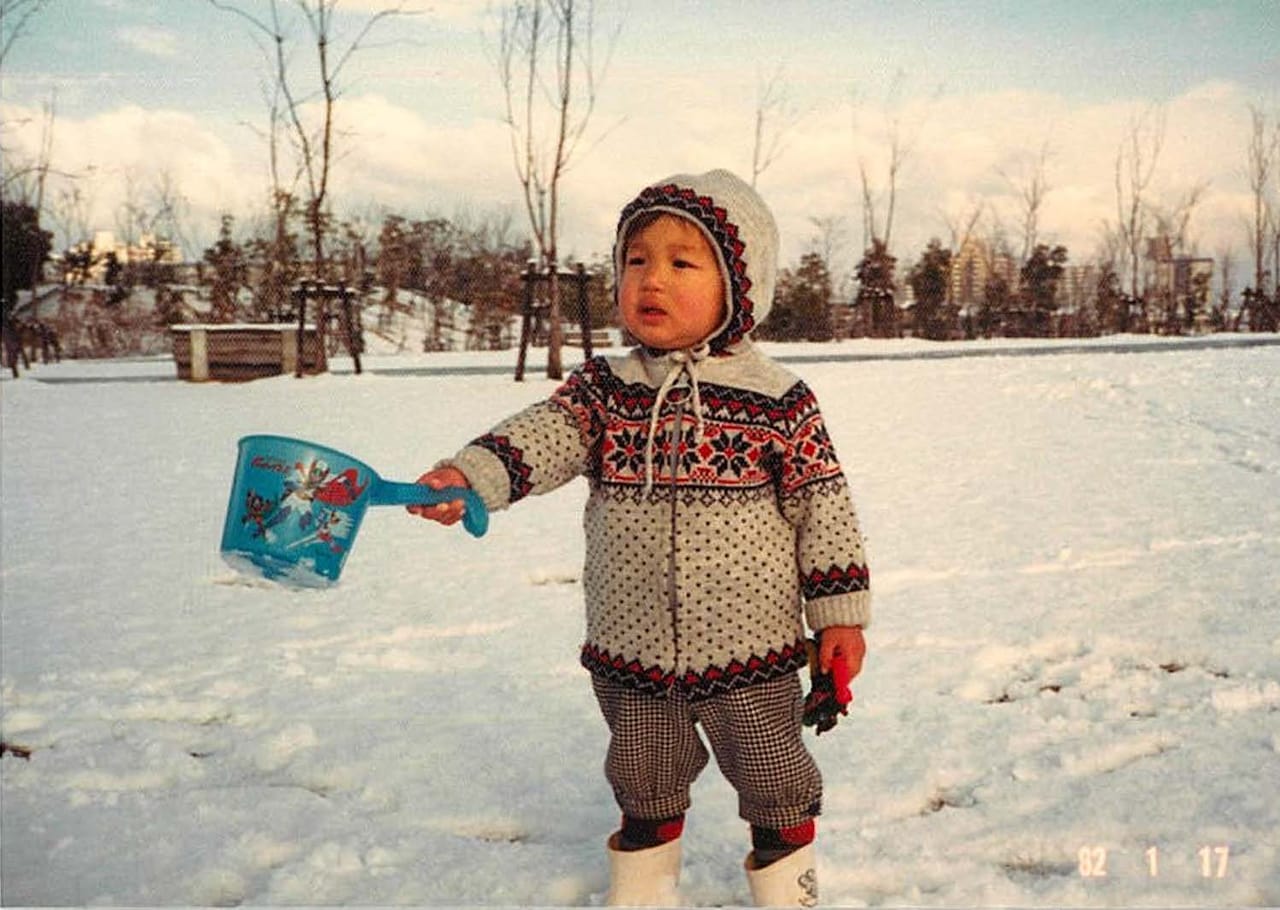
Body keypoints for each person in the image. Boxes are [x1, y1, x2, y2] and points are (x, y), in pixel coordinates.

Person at [411, 169, 870, 907]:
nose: (651, 278)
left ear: (739, 287)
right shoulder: (605, 391)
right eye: (635, 259)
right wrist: (473, 476)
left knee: (777, 781)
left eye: (682, 263)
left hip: (750, 652)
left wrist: (840, 616)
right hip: (632, 652)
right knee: (643, 780)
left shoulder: (779, 401)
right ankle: (643, 891)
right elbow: (542, 435)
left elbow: (824, 510)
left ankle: (791, 891)